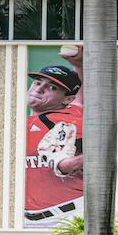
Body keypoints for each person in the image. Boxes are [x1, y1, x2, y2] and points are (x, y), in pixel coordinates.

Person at [23, 62, 83, 224]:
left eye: (52, 87)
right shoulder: (32, 120)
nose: (39, 89)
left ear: (68, 99)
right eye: (37, 82)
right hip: (27, 220)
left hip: (69, 216)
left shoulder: (63, 119)